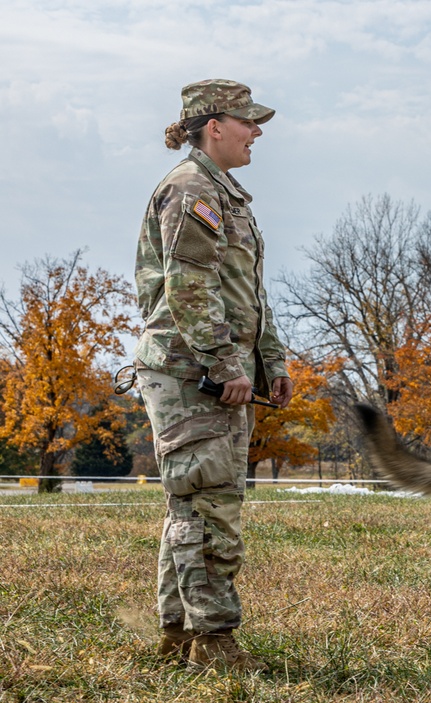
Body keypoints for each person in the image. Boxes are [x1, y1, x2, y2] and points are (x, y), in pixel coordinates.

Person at [133, 79, 293, 672]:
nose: (258, 132)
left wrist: (268, 360)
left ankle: (178, 636)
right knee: (209, 505)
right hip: (191, 373)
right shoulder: (191, 190)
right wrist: (227, 365)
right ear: (214, 126)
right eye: (249, 122)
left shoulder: (226, 195)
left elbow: (248, 293)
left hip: (217, 373)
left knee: (193, 502)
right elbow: (190, 288)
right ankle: (214, 644)